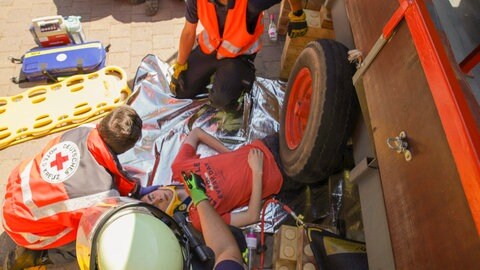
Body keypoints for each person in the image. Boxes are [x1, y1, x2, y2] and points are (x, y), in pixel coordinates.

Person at [2, 106, 143, 253]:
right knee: (95, 236)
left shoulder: (83, 129)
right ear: (128, 148)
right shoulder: (103, 195)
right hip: (23, 231)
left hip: (14, 193)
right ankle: (44, 256)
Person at [170, 0, 308, 111]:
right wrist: (180, 65)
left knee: (221, 100)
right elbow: (189, 31)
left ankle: (242, 82)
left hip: (238, 56)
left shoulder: (253, 3)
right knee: (181, 90)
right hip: (211, 47)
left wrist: (297, 14)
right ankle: (215, 75)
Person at [141, 127, 287, 231]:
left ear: (156, 189)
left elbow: (196, 133)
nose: (158, 199)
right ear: (165, 216)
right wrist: (257, 172)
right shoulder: (200, 219)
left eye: (152, 196)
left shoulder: (180, 168)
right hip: (279, 174)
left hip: (264, 145)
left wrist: (230, 154)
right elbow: (251, 217)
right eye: (156, 206)